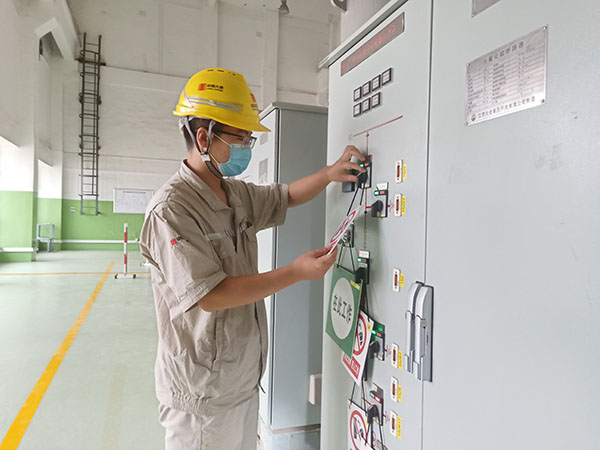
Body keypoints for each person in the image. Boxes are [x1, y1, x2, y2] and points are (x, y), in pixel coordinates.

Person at [139, 67, 365, 450]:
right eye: (240, 138)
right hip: (202, 396)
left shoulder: (234, 194)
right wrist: (295, 272)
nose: (247, 146)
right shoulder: (171, 210)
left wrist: (329, 174)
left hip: (240, 380)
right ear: (204, 137)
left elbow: (285, 196)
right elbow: (212, 295)